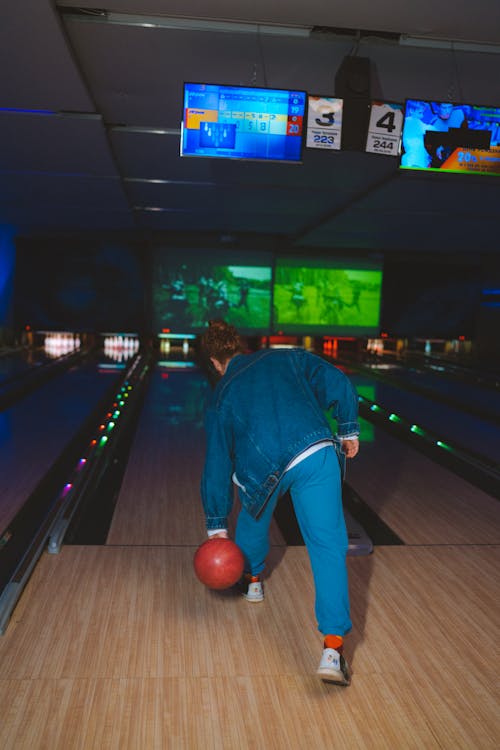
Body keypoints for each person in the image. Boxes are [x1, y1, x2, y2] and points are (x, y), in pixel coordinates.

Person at [199, 320, 360, 685]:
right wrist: (348, 428)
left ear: (214, 360)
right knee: (327, 547)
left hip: (263, 464)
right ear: (240, 346)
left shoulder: (221, 394)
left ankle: (253, 580)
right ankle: (333, 650)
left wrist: (216, 524)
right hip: (314, 450)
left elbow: (217, 462)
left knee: (253, 518)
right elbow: (337, 381)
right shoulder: (286, 357)